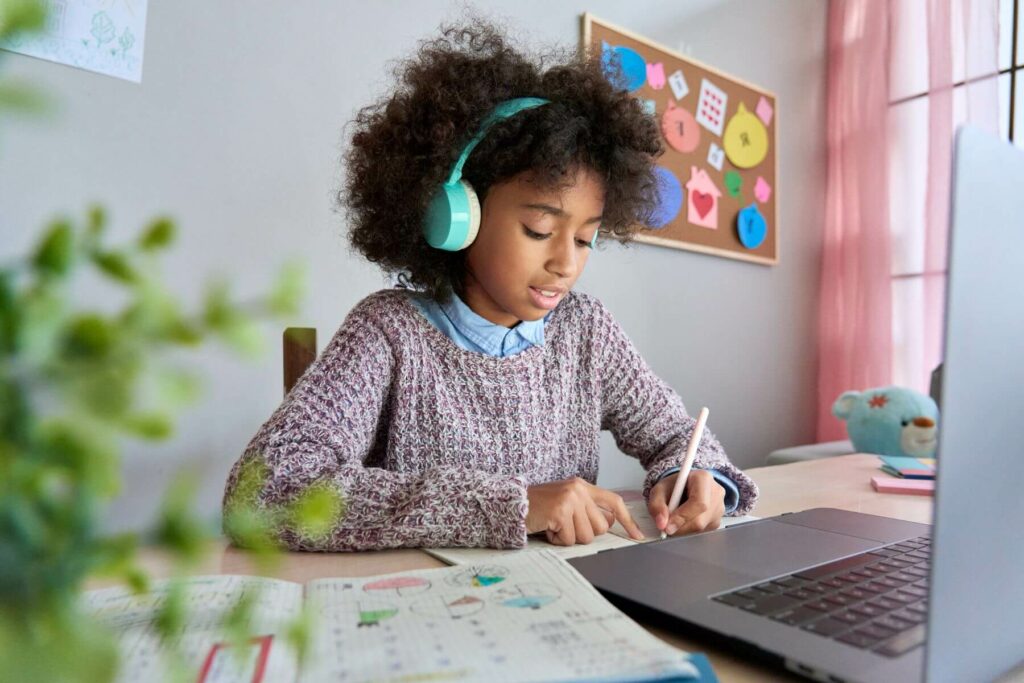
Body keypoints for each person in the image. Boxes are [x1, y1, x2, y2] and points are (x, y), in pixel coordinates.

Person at [222, 18, 758, 552]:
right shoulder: (388, 332)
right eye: (539, 230)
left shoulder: (586, 331)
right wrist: (510, 503)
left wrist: (694, 477)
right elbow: (264, 492)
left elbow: (674, 436)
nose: (564, 264)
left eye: (585, 240)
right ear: (459, 215)